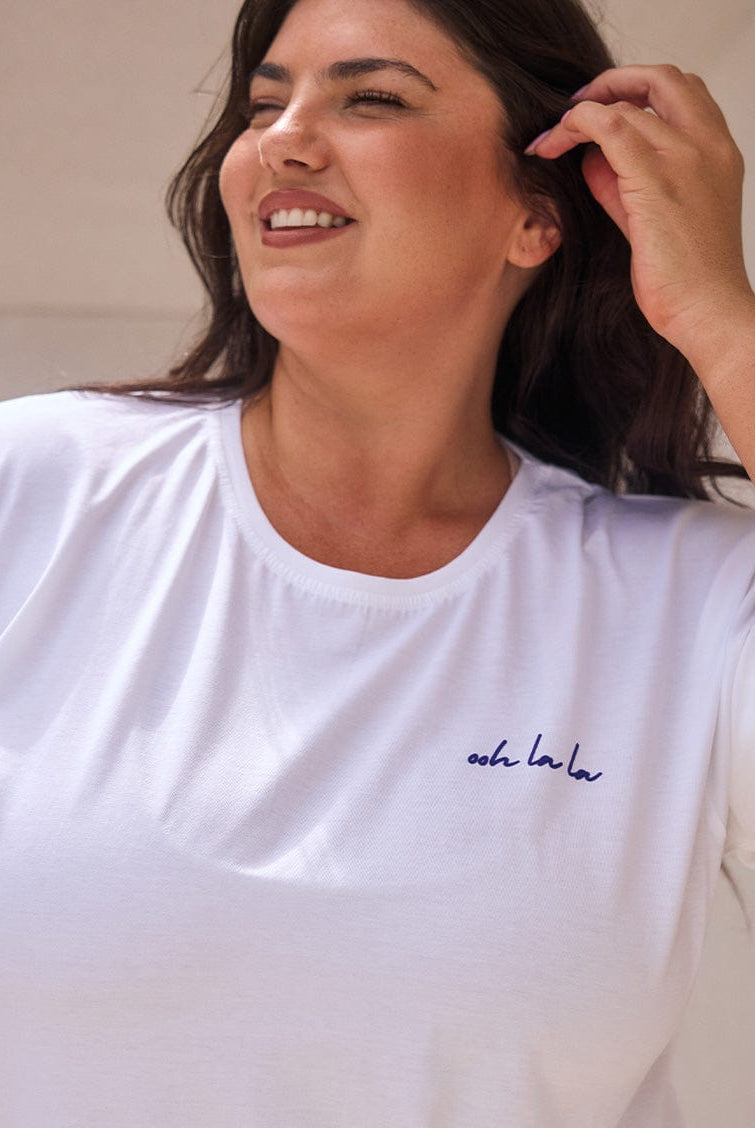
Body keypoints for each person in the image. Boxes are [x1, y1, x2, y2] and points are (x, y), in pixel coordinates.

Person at [1, 0, 754, 1123]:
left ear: (537, 215)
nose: (281, 140)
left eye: (371, 98)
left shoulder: (686, 604)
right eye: (264, 103)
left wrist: (720, 321)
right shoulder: (34, 488)